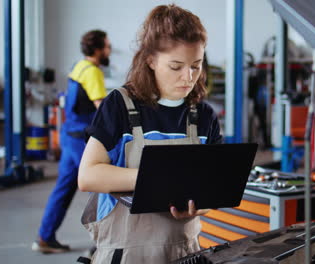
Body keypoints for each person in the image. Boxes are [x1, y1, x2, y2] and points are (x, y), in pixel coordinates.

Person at [78, 4, 222, 263]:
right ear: (151, 60)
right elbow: (88, 176)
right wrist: (162, 178)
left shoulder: (204, 116)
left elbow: (213, 183)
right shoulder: (119, 105)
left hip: (185, 254)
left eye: (196, 66)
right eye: (176, 66)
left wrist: (203, 204)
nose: (188, 78)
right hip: (126, 254)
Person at [32, 30, 111, 253]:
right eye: (107, 46)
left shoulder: (78, 66)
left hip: (69, 136)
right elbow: (101, 108)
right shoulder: (94, 72)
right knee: (102, 188)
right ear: (97, 49)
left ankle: (44, 238)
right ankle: (103, 245)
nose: (109, 50)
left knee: (63, 189)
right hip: (81, 140)